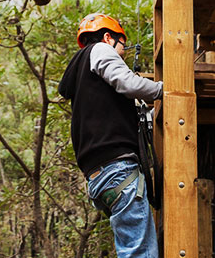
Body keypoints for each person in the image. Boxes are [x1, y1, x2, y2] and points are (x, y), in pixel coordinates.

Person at [58, 13, 162, 258]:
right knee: (139, 253)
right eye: (123, 46)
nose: (123, 53)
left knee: (132, 248)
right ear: (108, 37)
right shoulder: (102, 50)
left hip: (99, 178)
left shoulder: (83, 77)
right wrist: (164, 90)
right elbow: (128, 83)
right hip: (118, 169)